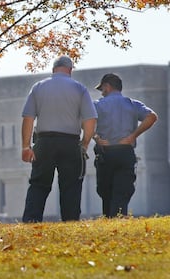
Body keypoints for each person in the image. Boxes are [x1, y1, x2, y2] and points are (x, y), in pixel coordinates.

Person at [20, 55, 97, 222]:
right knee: (71, 186)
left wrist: (26, 147)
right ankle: (70, 222)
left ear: (53, 69)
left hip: (44, 141)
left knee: (39, 184)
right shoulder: (79, 88)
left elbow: (28, 118)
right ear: (70, 70)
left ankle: (31, 220)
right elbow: (90, 120)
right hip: (70, 142)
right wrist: (84, 144)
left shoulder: (38, 87)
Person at [92, 73, 158, 218]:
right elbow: (152, 116)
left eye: (102, 89)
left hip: (105, 152)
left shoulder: (97, 105)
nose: (101, 92)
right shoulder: (132, 104)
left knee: (105, 190)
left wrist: (95, 137)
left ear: (107, 87)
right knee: (122, 190)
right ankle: (118, 219)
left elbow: (84, 121)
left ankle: (109, 219)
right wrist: (133, 136)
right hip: (125, 151)